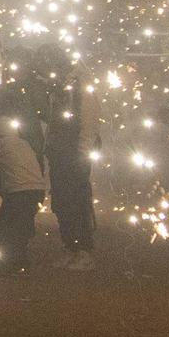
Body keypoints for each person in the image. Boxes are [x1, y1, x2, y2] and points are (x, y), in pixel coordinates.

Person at [0, 74, 48, 273]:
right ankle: (17, 261)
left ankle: (13, 263)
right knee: (19, 226)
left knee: (6, 228)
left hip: (20, 188)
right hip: (33, 186)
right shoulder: (18, 128)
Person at [44, 50, 99, 270]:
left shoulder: (79, 86)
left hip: (73, 154)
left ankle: (83, 251)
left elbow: (88, 120)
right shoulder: (64, 85)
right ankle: (72, 248)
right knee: (62, 201)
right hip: (62, 153)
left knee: (75, 201)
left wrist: (82, 153)